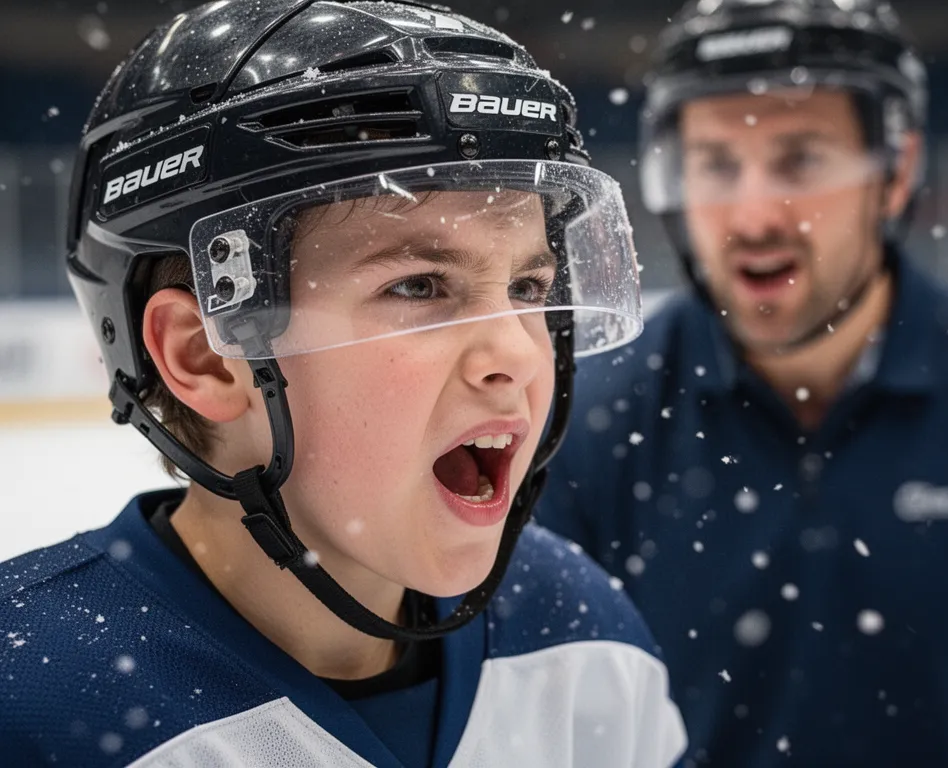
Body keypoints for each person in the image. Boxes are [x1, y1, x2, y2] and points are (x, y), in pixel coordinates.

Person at [0, 2, 687, 765]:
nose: (519, 356)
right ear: (202, 355)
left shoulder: (580, 630)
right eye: (420, 286)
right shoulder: (30, 700)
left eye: (527, 288)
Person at [536, 0, 948, 765]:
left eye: (801, 160)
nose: (754, 215)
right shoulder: (592, 420)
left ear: (893, 173)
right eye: (717, 165)